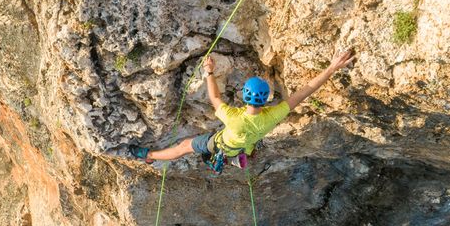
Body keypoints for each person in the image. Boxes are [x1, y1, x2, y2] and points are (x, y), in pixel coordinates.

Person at [128, 49, 355, 168]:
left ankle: (150, 156)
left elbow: (214, 96)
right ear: (266, 100)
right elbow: (305, 92)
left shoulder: (233, 116)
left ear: (244, 95)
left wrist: (209, 71)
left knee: (184, 146)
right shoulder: (272, 116)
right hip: (239, 147)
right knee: (232, 146)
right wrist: (332, 68)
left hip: (219, 144)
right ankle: (236, 157)